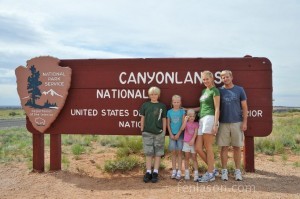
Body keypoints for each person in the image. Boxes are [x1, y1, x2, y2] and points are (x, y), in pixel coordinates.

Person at [217, 70, 248, 181]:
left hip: (237, 122)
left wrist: (245, 122)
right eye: (223, 77)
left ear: (231, 77)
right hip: (223, 122)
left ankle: (237, 171)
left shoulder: (239, 90)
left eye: (227, 77)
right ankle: (224, 171)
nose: (225, 79)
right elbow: (217, 108)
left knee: (237, 147)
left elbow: (244, 107)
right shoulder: (219, 91)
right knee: (224, 147)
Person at [192, 70, 220, 183]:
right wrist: (188, 110)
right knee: (198, 148)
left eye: (207, 79)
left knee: (208, 147)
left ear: (212, 78)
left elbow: (217, 107)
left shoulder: (215, 91)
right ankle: (212, 169)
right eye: (203, 79)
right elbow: (201, 107)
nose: (205, 81)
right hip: (201, 119)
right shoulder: (204, 91)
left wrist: (215, 123)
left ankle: (210, 174)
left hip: (210, 118)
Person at [140, 86, 167, 183]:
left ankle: (155, 172)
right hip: (147, 132)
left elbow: (164, 119)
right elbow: (142, 118)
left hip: (159, 133)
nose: (153, 96)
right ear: (149, 95)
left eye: (155, 94)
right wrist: (142, 129)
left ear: (158, 95)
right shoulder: (145, 105)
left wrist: (164, 131)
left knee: (158, 153)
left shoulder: (162, 106)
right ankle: (148, 172)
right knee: (148, 152)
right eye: (151, 94)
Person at [167, 95, 185, 180]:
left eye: (178, 102)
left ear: (180, 103)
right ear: (172, 102)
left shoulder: (182, 112)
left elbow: (183, 124)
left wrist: (178, 133)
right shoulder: (169, 112)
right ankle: (174, 170)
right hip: (172, 134)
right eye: (174, 102)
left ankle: (179, 171)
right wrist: (170, 133)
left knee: (180, 153)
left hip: (180, 134)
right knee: (173, 152)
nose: (176, 104)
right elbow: (168, 124)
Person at [181, 109, 199, 181]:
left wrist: (193, 140)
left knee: (194, 158)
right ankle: (187, 173)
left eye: (193, 116)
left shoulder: (196, 124)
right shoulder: (186, 123)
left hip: (193, 143)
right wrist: (185, 120)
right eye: (190, 116)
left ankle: (196, 173)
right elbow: (182, 128)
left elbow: (196, 133)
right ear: (187, 116)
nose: (192, 118)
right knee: (187, 158)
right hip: (186, 143)